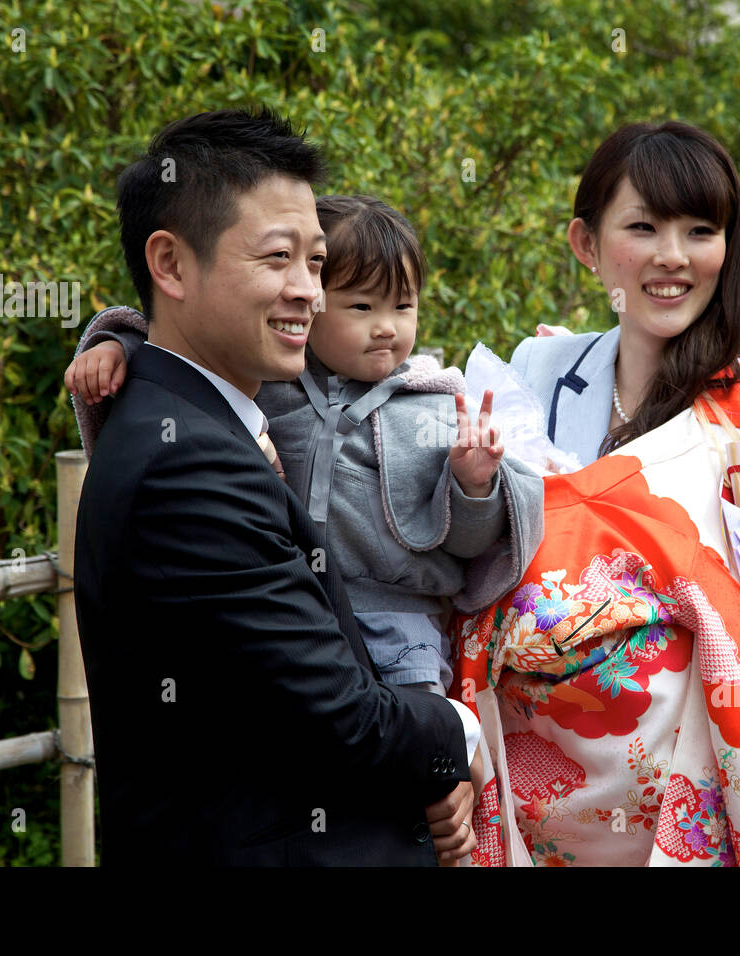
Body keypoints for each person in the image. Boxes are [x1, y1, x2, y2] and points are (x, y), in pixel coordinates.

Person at [455, 121, 740, 866]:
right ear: (586, 244)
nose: (672, 257)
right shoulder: (537, 374)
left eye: (700, 230)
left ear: (730, 244)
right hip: (544, 787)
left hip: (706, 776)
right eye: (642, 227)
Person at [71, 108, 480, 866]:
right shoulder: (186, 465)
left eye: (316, 263)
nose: (309, 293)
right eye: (276, 259)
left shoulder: (192, 418)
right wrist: (457, 733)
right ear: (171, 265)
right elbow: (340, 717)